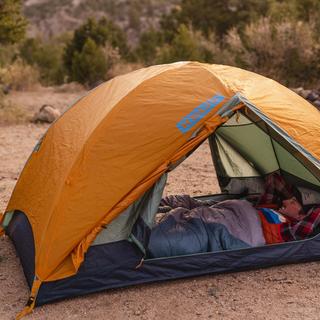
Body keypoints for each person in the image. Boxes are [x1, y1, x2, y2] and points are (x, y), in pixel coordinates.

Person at [259, 172, 320, 242]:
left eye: (292, 202)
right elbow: (273, 179)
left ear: (299, 217)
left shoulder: (287, 230)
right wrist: (290, 197)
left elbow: (314, 216)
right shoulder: (270, 207)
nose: (283, 201)